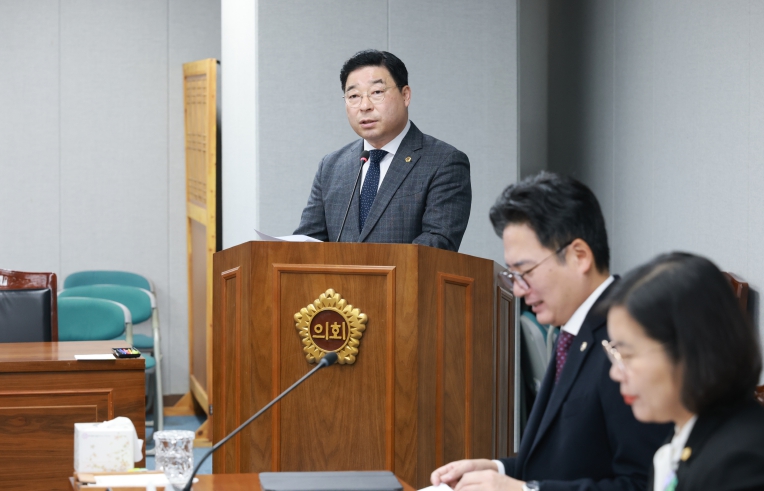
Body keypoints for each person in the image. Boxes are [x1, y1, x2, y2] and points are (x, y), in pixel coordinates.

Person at [430, 172, 670, 491]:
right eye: (512, 275)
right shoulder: (573, 330)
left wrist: (524, 490)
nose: (518, 290)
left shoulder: (628, 339)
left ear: (579, 256)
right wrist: (497, 468)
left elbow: (644, 483)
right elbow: (568, 462)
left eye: (525, 271)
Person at [601, 252, 764, 491]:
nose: (615, 373)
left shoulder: (739, 465)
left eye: (627, 355)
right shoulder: (683, 432)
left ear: (691, 349)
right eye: (613, 353)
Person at [293, 49, 471, 251]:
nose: (364, 106)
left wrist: (374, 267)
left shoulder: (443, 162)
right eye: (354, 96)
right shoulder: (332, 166)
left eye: (377, 92)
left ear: (405, 95)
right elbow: (307, 244)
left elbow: (437, 244)